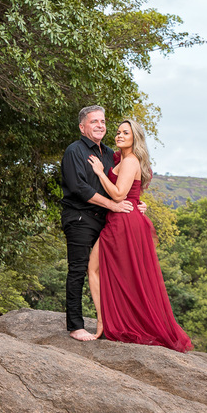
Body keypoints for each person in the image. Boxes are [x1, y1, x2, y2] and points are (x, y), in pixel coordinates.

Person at [85, 119, 193, 351]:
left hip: (123, 221)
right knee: (124, 274)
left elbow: (118, 194)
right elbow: (132, 193)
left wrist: (100, 173)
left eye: (126, 133)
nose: (119, 135)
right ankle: (109, 320)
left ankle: (105, 322)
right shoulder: (121, 159)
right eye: (118, 132)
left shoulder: (130, 160)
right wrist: (139, 203)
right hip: (125, 218)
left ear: (135, 137)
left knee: (97, 269)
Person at [60, 105, 133, 341]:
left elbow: (122, 185)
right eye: (94, 122)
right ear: (82, 127)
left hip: (106, 220)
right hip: (80, 218)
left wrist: (137, 203)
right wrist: (112, 205)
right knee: (78, 270)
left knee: (110, 270)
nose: (100, 125)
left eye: (102, 121)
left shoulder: (111, 154)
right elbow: (79, 188)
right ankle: (76, 326)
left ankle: (112, 324)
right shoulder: (74, 151)